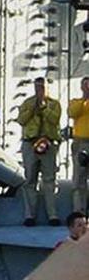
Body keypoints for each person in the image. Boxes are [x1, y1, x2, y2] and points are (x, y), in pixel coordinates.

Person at [17, 76, 62, 226]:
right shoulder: (27, 103)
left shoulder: (54, 104)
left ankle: (52, 215)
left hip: (48, 144)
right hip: (30, 143)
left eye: (42, 87)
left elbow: (54, 120)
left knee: (49, 180)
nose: (39, 90)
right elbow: (21, 120)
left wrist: (44, 107)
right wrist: (33, 108)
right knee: (30, 180)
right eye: (37, 87)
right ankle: (30, 215)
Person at [69, 76, 89, 215]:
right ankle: (79, 212)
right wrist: (85, 98)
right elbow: (73, 113)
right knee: (79, 179)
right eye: (85, 85)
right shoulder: (76, 102)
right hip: (81, 142)